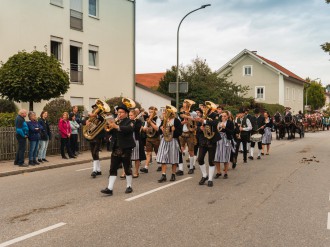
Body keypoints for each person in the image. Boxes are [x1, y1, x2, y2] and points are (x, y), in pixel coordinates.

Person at [101, 101, 136, 196]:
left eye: (121, 112)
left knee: (127, 167)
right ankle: (110, 188)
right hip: (116, 147)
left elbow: (128, 129)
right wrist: (109, 127)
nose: (119, 114)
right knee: (112, 168)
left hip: (126, 147)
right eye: (118, 112)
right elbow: (110, 132)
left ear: (126, 113)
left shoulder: (131, 121)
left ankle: (129, 186)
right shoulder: (116, 121)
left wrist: (116, 126)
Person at [195, 101, 221, 187]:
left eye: (206, 107)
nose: (204, 108)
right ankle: (204, 175)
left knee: (211, 161)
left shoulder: (215, 115)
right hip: (203, 140)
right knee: (200, 159)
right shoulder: (202, 116)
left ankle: (210, 179)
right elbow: (198, 126)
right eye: (204, 107)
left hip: (212, 140)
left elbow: (215, 123)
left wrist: (205, 121)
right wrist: (200, 128)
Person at [157, 105, 183, 182]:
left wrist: (174, 130)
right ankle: (163, 175)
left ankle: (173, 174)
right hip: (164, 141)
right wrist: (160, 129)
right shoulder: (164, 120)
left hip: (173, 141)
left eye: (167, 112)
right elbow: (159, 131)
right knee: (163, 158)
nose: (165, 113)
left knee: (173, 158)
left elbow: (179, 133)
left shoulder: (176, 121)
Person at [178, 99, 197, 175]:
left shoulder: (193, 113)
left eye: (186, 104)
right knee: (180, 150)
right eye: (184, 103)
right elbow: (179, 123)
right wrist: (183, 122)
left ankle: (191, 167)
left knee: (191, 151)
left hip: (190, 133)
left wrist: (187, 116)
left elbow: (194, 119)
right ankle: (180, 169)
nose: (184, 105)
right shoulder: (180, 114)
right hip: (182, 133)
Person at [140, 106, 161, 173]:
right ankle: (146, 168)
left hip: (156, 138)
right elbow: (145, 128)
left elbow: (157, 128)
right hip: (149, 137)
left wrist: (150, 122)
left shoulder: (158, 119)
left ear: (155, 112)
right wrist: (143, 128)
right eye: (149, 112)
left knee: (157, 152)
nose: (150, 113)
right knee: (148, 153)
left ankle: (160, 165)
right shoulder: (148, 119)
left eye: (151, 112)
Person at [214, 110, 234, 179]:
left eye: (225, 116)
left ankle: (225, 172)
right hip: (218, 141)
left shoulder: (230, 123)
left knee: (226, 157)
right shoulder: (218, 122)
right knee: (217, 157)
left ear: (227, 116)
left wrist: (225, 128)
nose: (223, 117)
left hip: (226, 141)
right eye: (222, 116)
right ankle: (218, 172)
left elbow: (232, 132)